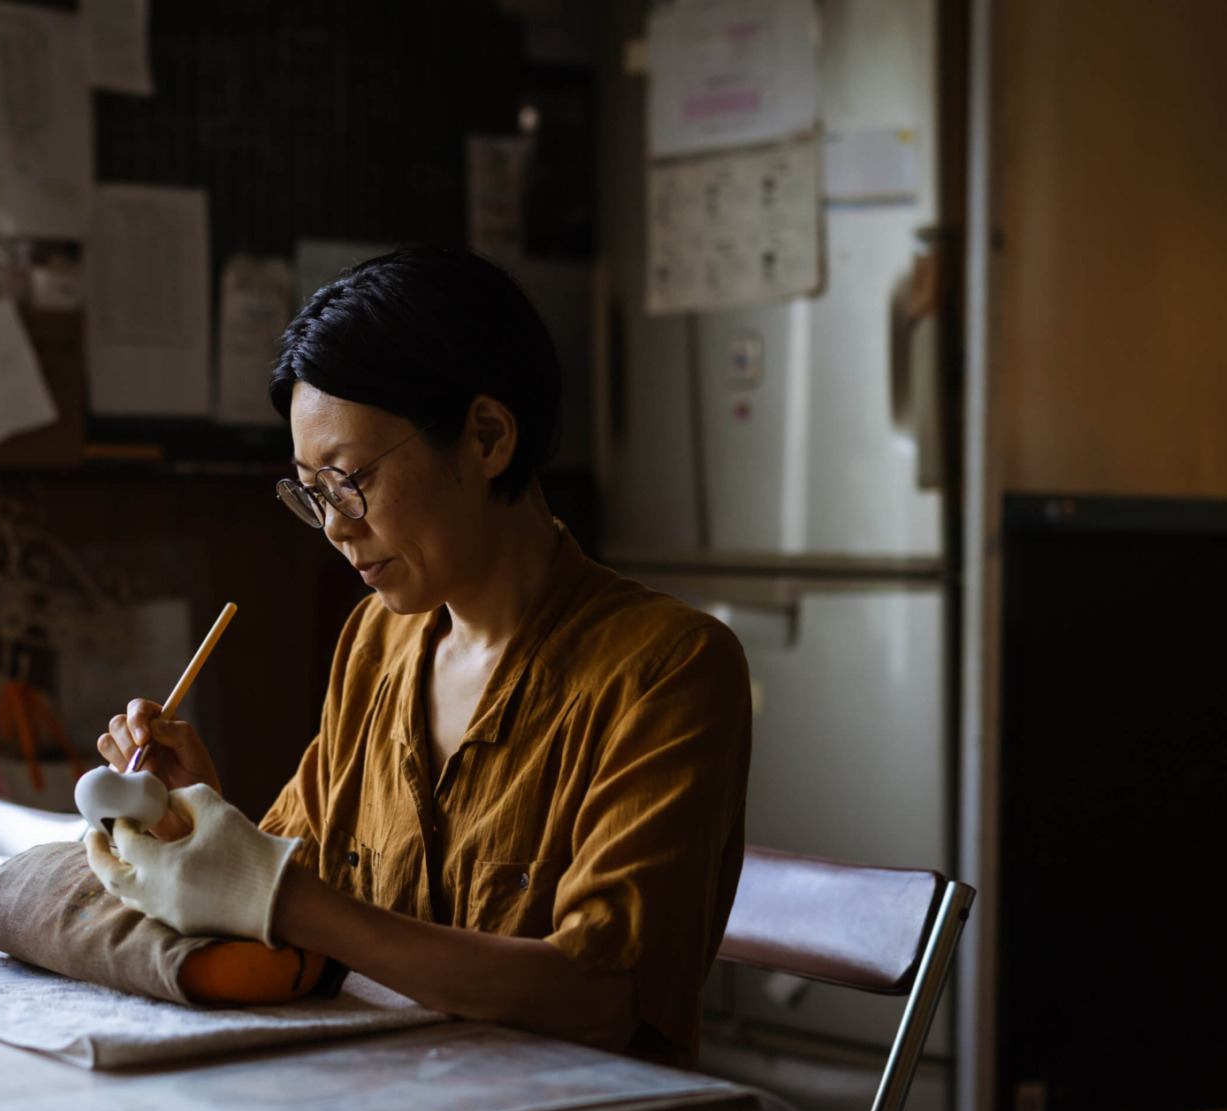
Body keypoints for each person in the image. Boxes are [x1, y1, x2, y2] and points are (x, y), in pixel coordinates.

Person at [87, 247, 751, 1066]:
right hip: (382, 1094)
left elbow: (598, 1000)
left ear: (487, 437)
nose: (334, 526)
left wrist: (276, 893)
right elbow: (301, 886)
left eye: (349, 479)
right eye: (311, 493)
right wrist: (201, 817)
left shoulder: (669, 669)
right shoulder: (378, 641)